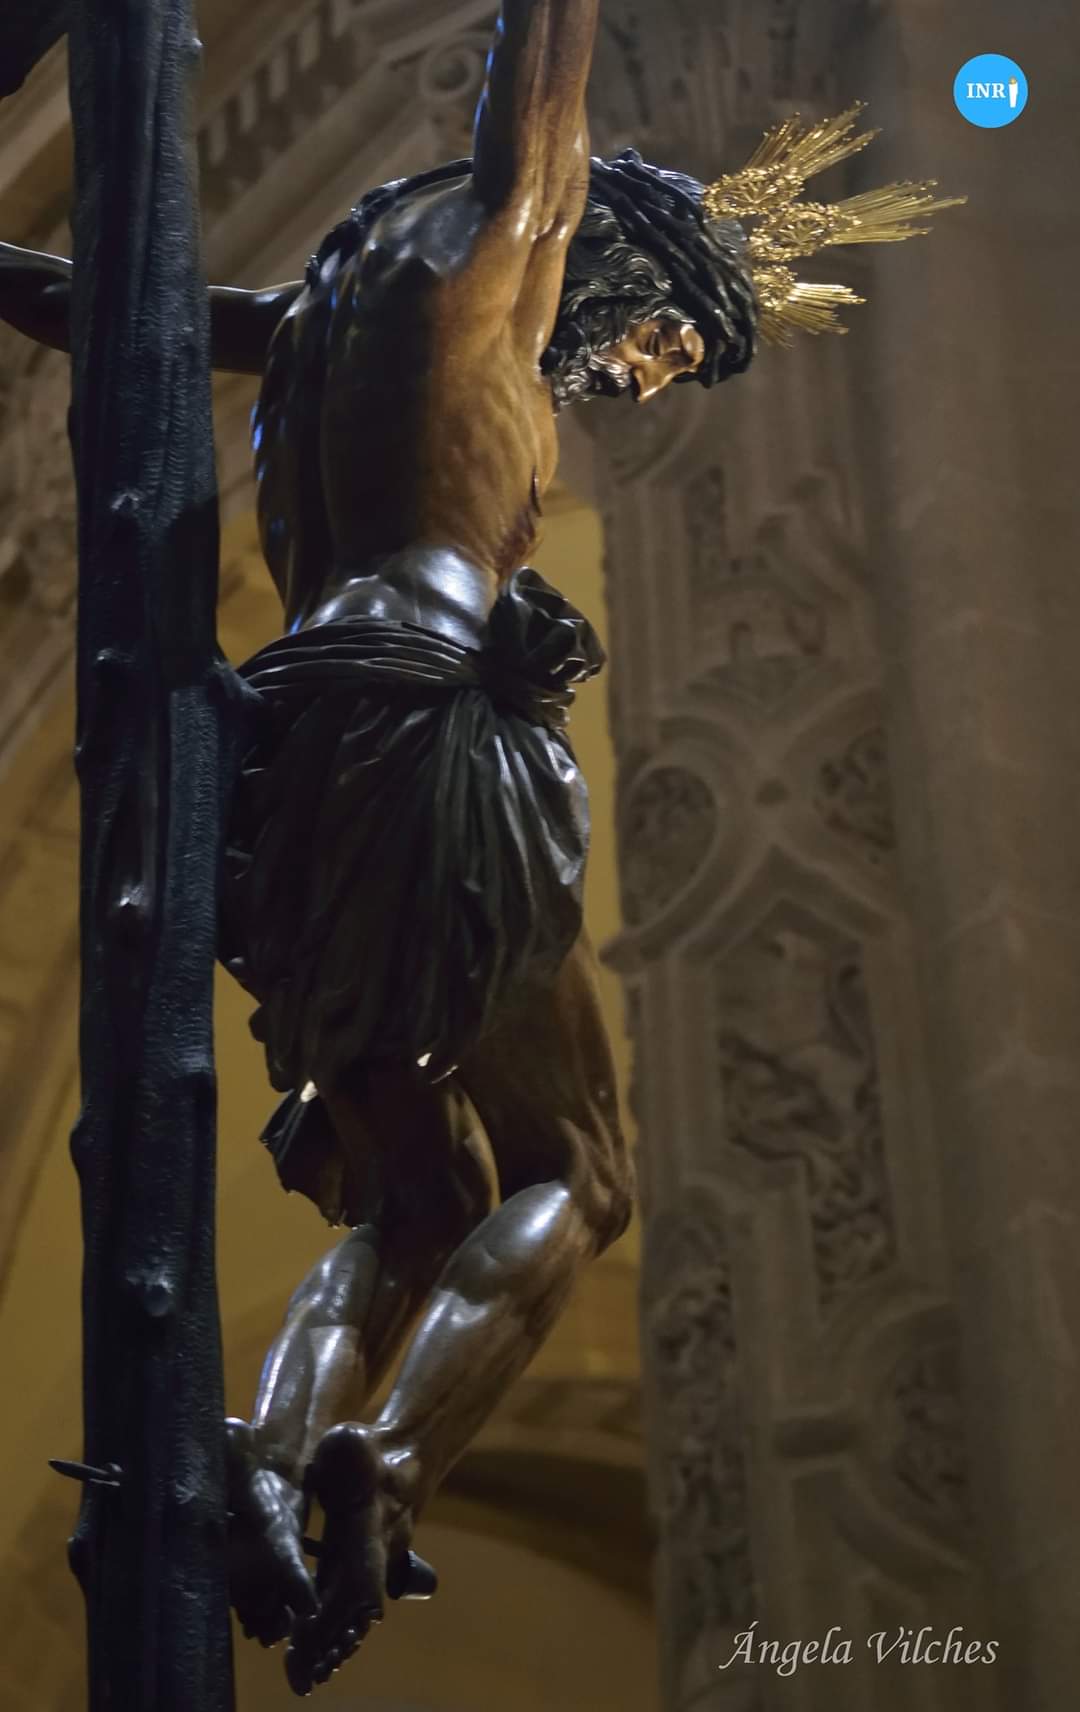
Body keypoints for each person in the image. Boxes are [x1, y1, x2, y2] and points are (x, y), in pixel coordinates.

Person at [0, 5, 961, 1691]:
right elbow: (542, 61)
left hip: (286, 750)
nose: (640, 377)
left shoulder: (312, 319)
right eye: (664, 338)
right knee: (578, 1171)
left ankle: (275, 1448)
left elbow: (106, 305)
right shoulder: (512, 233)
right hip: (427, 724)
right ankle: (387, 1462)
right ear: (603, 244)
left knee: (413, 1197)